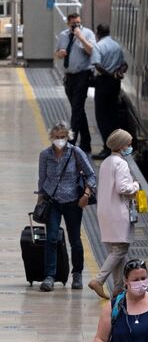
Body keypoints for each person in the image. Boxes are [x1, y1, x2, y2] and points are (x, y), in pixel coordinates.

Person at [36, 120, 96, 291]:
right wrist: (40, 202)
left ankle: (77, 274)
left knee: (75, 240)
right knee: (51, 238)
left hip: (73, 202)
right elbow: (42, 179)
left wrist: (86, 194)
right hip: (52, 201)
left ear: (68, 136)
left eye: (63, 137)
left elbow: (91, 175)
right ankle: (49, 276)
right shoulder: (45, 155)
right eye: (57, 137)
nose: (60, 140)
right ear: (51, 137)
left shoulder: (76, 152)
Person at [90, 129, 141, 300]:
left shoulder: (106, 162)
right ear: (121, 145)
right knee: (120, 250)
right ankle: (99, 280)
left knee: (116, 252)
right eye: (128, 144)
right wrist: (135, 186)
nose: (130, 147)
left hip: (105, 211)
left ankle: (118, 289)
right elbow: (123, 188)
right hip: (118, 212)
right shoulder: (121, 163)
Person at [55, 13, 99, 157]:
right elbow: (58, 52)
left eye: (79, 23)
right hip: (69, 76)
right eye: (74, 24)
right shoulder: (63, 35)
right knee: (78, 109)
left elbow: (92, 50)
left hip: (83, 75)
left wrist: (80, 37)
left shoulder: (88, 33)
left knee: (76, 110)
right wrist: (60, 53)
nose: (76, 26)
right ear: (68, 24)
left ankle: (71, 143)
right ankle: (86, 142)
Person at [92, 24, 128, 160]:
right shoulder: (116, 46)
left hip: (103, 83)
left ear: (97, 33)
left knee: (102, 117)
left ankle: (107, 148)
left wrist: (108, 75)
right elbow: (125, 65)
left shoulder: (98, 46)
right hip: (115, 84)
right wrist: (118, 73)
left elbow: (97, 65)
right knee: (112, 116)